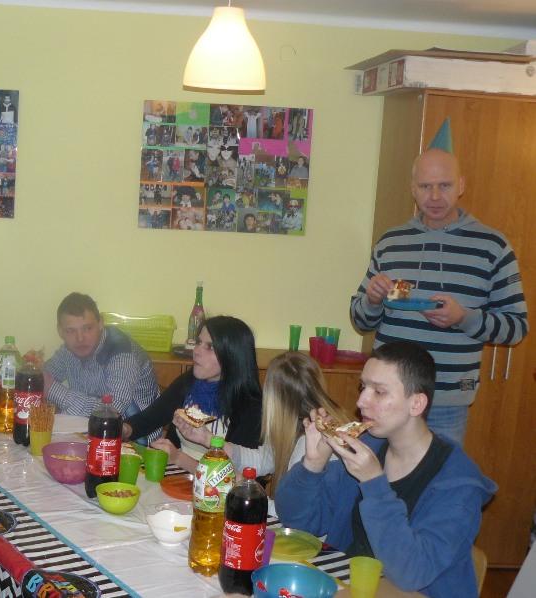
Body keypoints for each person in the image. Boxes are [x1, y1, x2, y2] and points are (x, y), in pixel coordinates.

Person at [276, 341, 496, 597]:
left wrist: (373, 484)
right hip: (351, 586)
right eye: (363, 387)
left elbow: (411, 573)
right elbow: (300, 524)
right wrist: (313, 465)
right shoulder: (369, 447)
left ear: (416, 404)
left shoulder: (458, 484)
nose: (361, 401)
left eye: (379, 392)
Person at [349, 148, 528, 444]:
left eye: (444, 185)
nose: (434, 196)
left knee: (437, 475)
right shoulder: (390, 243)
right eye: (425, 186)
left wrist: (464, 318)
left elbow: (517, 327)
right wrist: (372, 301)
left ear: (461, 185)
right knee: (372, 472)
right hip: (384, 397)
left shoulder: (493, 246)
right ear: (413, 189)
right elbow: (360, 319)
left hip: (446, 401)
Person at [123, 316, 262, 470]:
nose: (196, 351)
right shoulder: (189, 382)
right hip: (176, 475)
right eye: (198, 342)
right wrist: (124, 429)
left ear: (233, 356)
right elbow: (150, 418)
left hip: (214, 483)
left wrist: (178, 458)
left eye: (210, 347)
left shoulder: (251, 406)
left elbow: (234, 475)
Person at [225, 352, 350, 499]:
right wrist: (213, 443)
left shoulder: (309, 442)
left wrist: (245, 488)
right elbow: (265, 458)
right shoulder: (299, 426)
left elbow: (288, 509)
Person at [43, 293, 159, 436]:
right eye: (71, 331)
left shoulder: (122, 354)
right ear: (60, 331)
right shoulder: (68, 351)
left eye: (87, 328)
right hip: (89, 434)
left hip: (133, 440)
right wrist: (32, 369)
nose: (80, 338)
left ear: (100, 324)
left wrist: (53, 390)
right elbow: (44, 378)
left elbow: (111, 412)